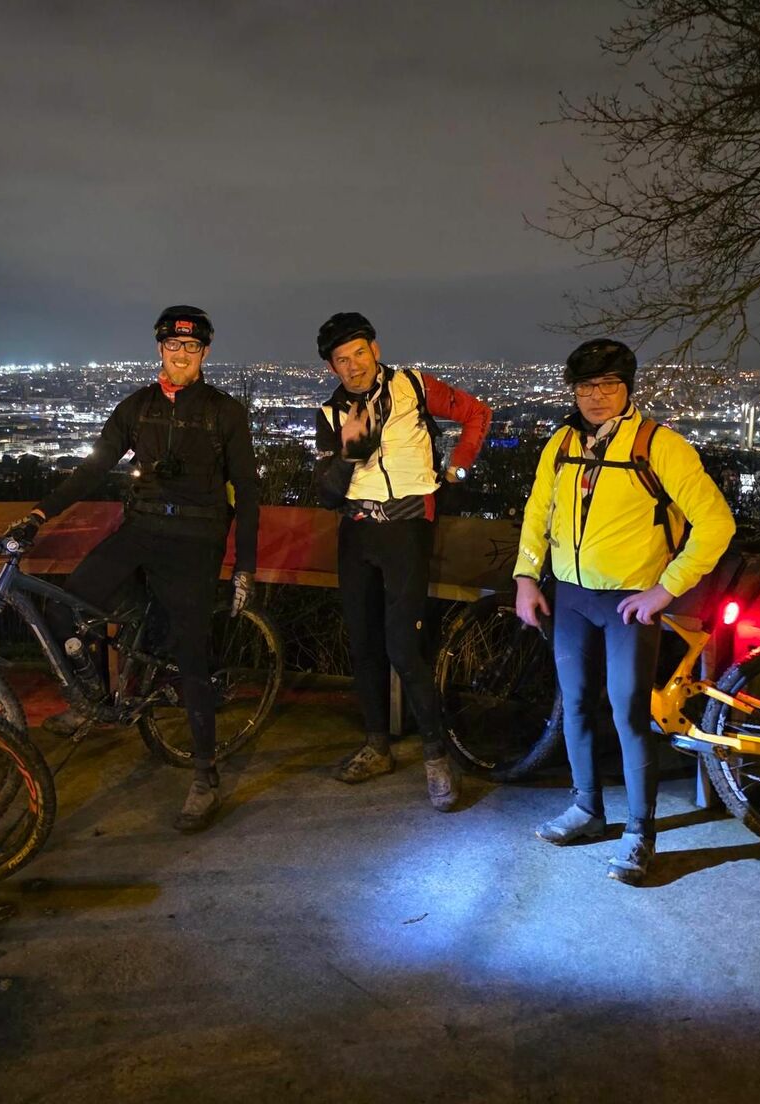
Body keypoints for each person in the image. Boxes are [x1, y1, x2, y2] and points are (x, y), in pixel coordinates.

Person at [4, 305, 259, 834]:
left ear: (205, 352)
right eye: (173, 345)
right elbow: (94, 468)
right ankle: (91, 696)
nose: (181, 354)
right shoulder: (137, 407)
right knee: (65, 604)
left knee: (192, 657)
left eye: (192, 346)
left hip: (195, 541)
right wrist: (39, 514)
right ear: (160, 348)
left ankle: (205, 774)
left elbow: (249, 495)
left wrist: (245, 566)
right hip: (141, 529)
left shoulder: (224, 413)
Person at [512, 338, 735, 884]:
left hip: (629, 603)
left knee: (628, 712)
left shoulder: (659, 445)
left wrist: (665, 590)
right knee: (575, 704)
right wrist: (525, 577)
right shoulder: (562, 442)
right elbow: (539, 511)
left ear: (627, 387)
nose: (596, 396)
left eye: (608, 384)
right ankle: (586, 808)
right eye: (585, 386)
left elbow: (717, 523)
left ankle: (640, 833)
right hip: (570, 595)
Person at [313, 312, 491, 811]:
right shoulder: (330, 413)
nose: (353, 365)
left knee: (404, 647)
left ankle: (436, 757)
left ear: (375, 348)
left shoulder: (413, 386)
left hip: (408, 528)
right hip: (356, 532)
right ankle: (377, 745)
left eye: (359, 353)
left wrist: (457, 468)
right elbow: (326, 495)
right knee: (363, 643)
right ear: (331, 367)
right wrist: (349, 453)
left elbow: (477, 413)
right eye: (342, 360)